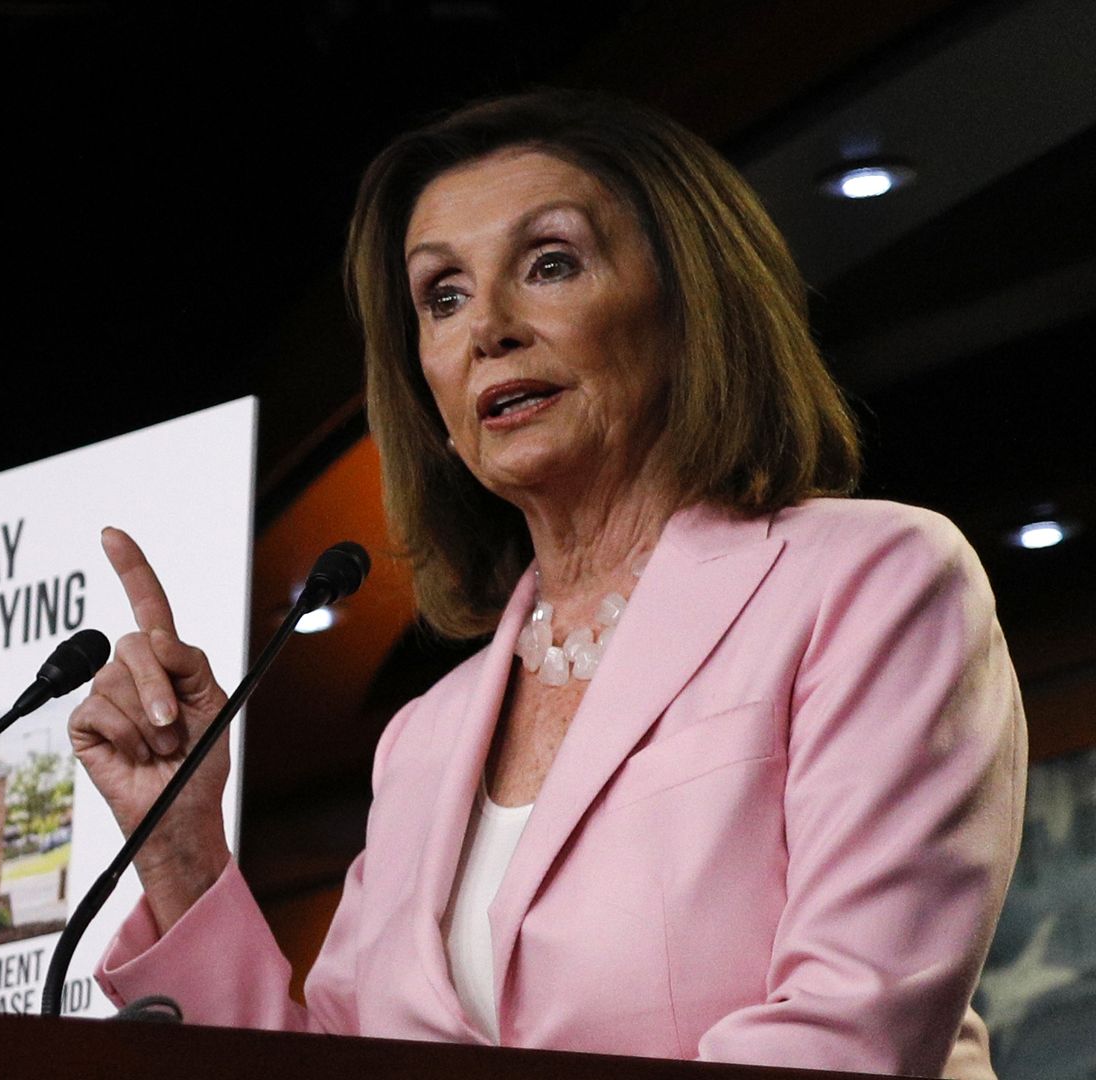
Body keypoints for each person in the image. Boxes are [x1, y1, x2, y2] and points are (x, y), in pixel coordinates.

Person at [67, 90, 1026, 1079]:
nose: (489, 326)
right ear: (430, 391)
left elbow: (845, 1032)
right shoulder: (422, 743)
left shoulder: (871, 582)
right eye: (442, 296)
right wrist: (177, 846)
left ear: (689, 303)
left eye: (551, 263)